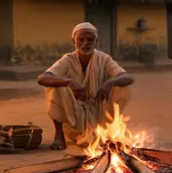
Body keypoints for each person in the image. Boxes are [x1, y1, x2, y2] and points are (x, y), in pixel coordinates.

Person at [37, 22, 135, 150]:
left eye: (90, 39)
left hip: (100, 109)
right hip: (75, 112)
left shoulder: (103, 59)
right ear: (73, 41)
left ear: (96, 41)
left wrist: (109, 83)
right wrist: (69, 82)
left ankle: (108, 131)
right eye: (80, 39)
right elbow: (42, 78)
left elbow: (128, 77)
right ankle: (59, 135)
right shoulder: (67, 59)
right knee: (54, 88)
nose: (85, 43)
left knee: (123, 87)